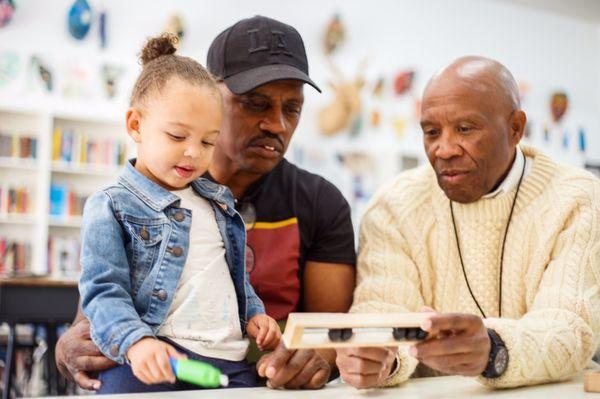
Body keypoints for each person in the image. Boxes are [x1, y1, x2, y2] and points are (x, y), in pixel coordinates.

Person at [56, 16, 356, 391]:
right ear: (211, 94)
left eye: (292, 108)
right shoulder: (130, 200)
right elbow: (100, 299)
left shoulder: (322, 202)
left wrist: (320, 359)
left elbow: (332, 333)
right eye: (255, 103)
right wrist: (72, 343)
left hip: (245, 379)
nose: (277, 124)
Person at [336, 56, 600, 389]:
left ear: (515, 128)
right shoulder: (394, 206)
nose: (443, 149)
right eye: (432, 132)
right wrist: (379, 359)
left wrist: (493, 350)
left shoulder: (577, 198)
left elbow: (569, 328)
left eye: (464, 129)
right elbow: (381, 313)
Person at [78, 34, 280, 394]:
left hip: (229, 364)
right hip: (152, 361)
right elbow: (103, 291)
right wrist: (136, 342)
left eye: (207, 142)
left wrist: (255, 314)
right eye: (177, 136)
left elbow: (231, 275)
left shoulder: (217, 202)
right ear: (136, 125)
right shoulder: (110, 205)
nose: (193, 153)